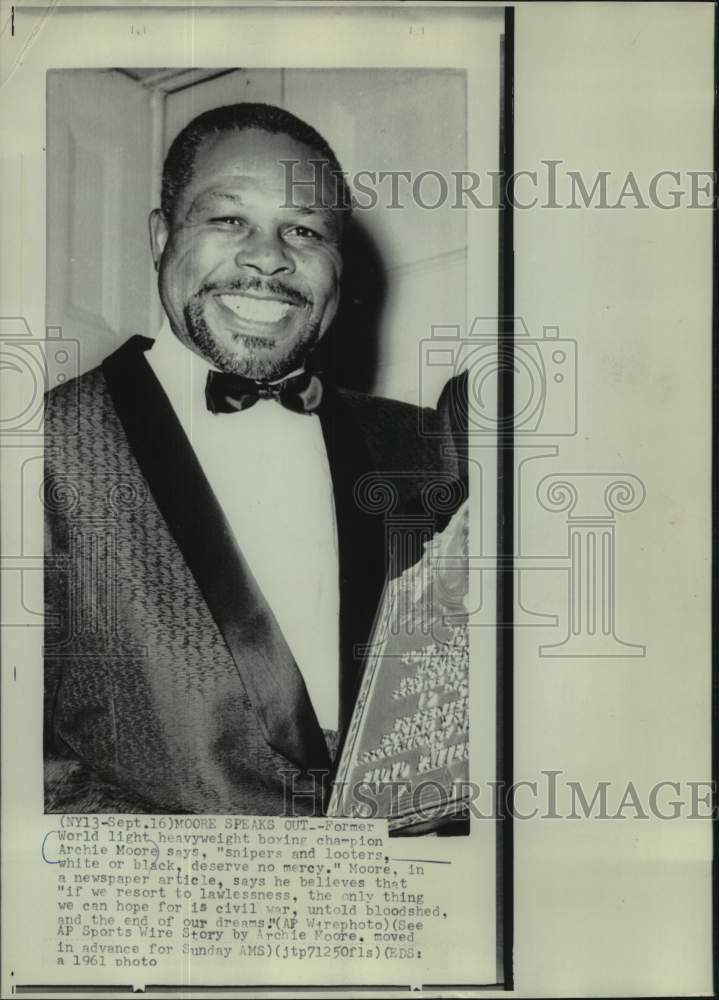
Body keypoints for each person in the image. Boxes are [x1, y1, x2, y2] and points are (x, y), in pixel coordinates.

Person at [43, 102, 465, 815]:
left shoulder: (425, 446)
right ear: (161, 237)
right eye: (229, 218)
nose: (268, 257)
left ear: (339, 263)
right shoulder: (39, 445)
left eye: (304, 230)